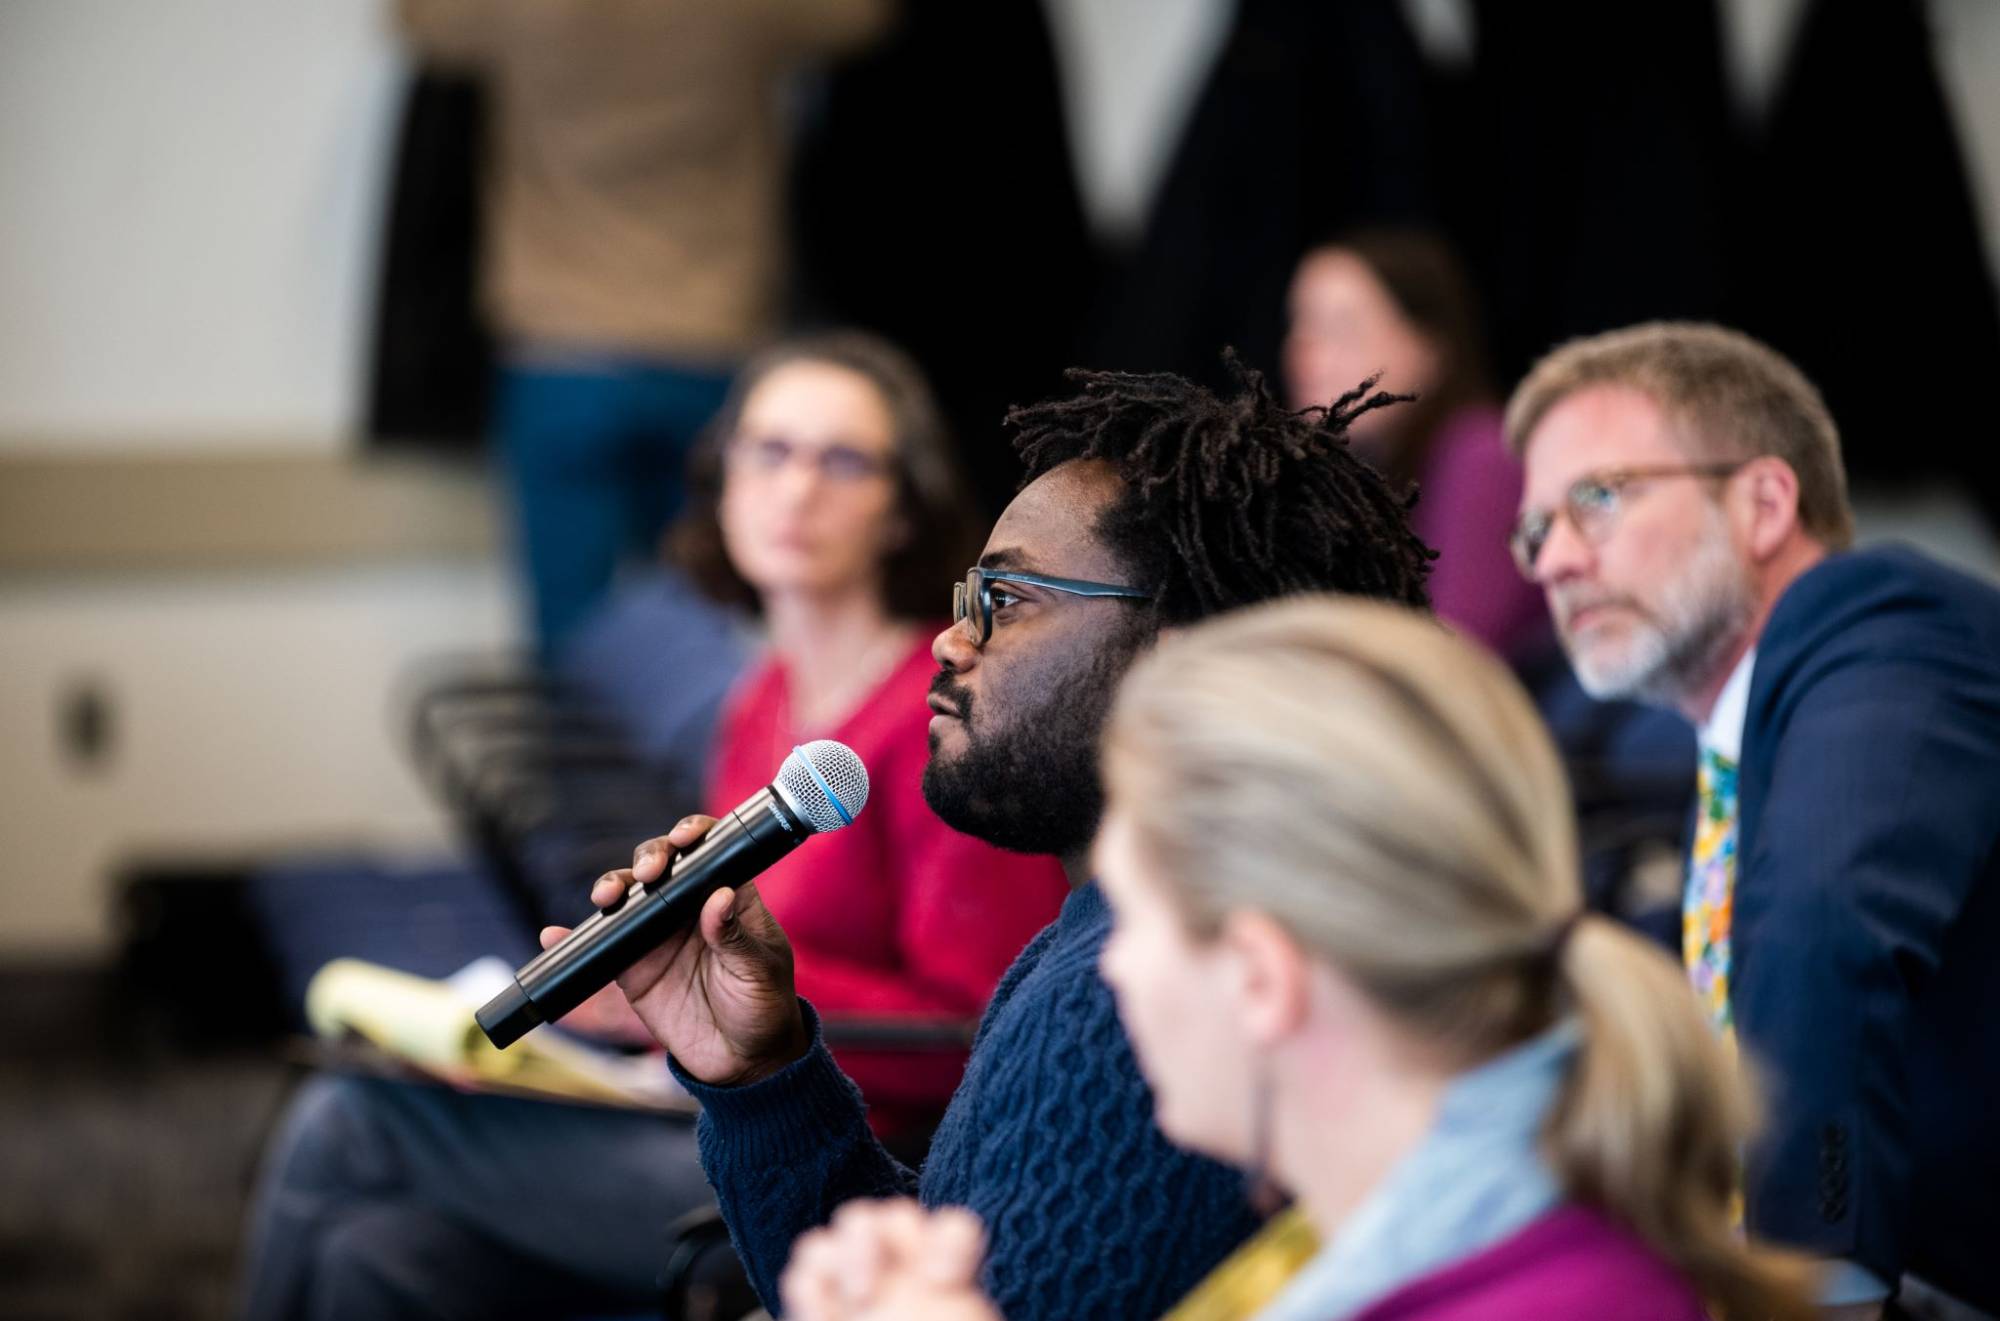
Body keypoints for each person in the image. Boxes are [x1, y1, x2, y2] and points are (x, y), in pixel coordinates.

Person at [542, 358, 1437, 1319]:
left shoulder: (1130, 993)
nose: (953, 642)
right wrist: (759, 1072)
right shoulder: (1106, 939)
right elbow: (946, 1278)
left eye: (1005, 602)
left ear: (1181, 660)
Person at [235, 332, 1069, 1321]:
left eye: (841, 460)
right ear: (722, 482)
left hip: (851, 1156)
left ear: (901, 507)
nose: (794, 489)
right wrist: (633, 1014)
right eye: (768, 452)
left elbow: (980, 1026)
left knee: (349, 1121)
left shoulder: (937, 722)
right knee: (376, 1257)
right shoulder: (760, 703)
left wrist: (717, 1009)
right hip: (693, 1103)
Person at [778, 597, 1817, 1321]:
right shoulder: (1375, 1229)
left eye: (1131, 920)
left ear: (1260, 977)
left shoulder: (1535, 1290)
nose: (1114, 970)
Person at [1503, 322, 2000, 1318]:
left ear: (1763, 501)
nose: (1551, 560)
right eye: (1533, 529)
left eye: (1595, 498)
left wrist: (1809, 1288)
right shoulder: (1742, 747)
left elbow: (1819, 930)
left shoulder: (1876, 624)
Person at [396, 0, 889, 651]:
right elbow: (861, 19)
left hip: (563, 351)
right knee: (711, 636)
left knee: (573, 649)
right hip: (709, 340)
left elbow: (418, 22)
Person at [1283, 229, 1545, 662]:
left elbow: (1455, 649)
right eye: (1299, 323)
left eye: (1340, 327)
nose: (1303, 349)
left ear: (1430, 347)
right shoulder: (1351, 474)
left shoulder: (1482, 455)